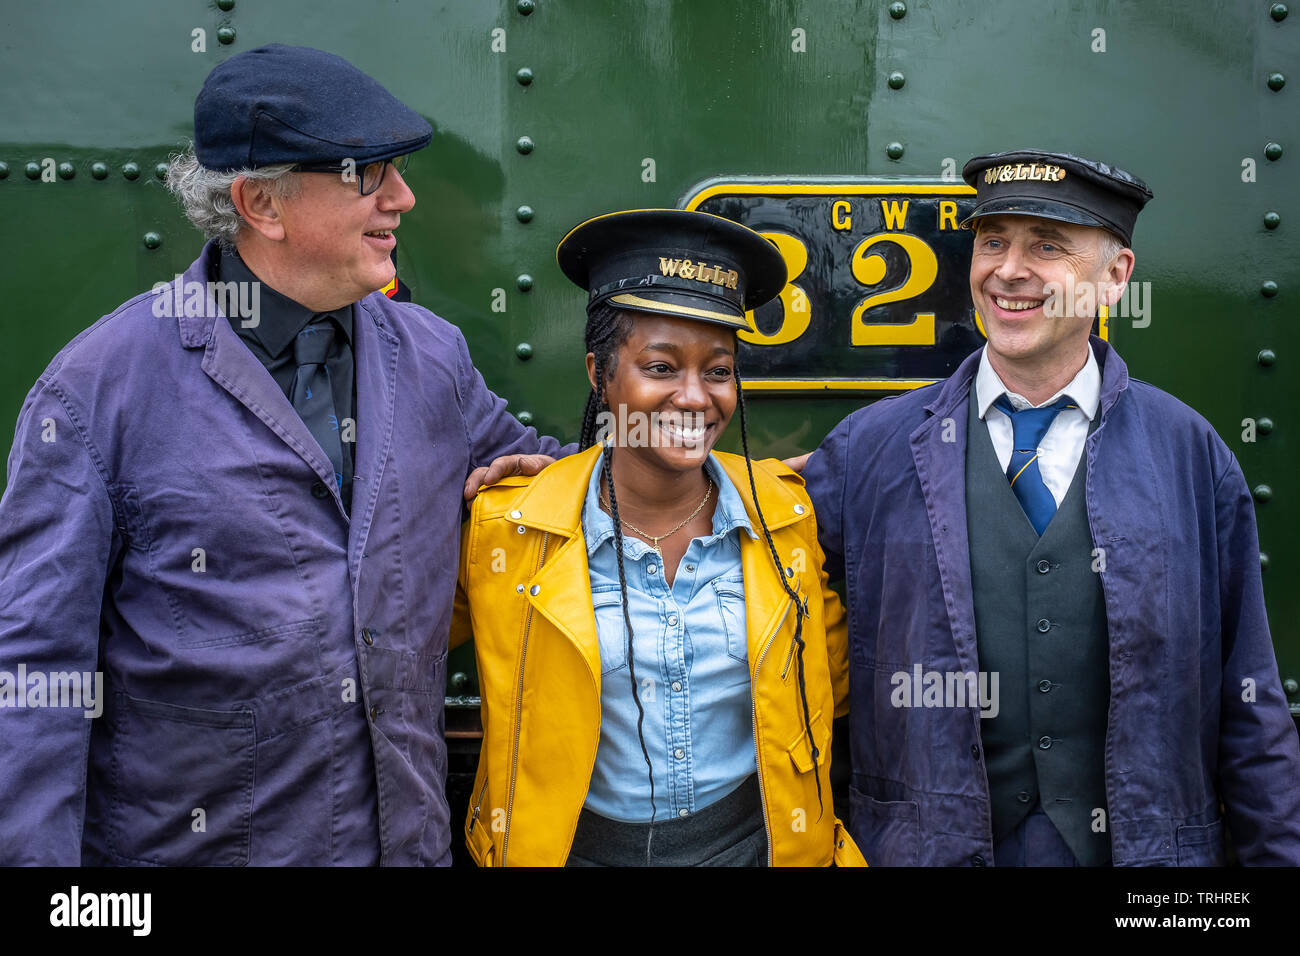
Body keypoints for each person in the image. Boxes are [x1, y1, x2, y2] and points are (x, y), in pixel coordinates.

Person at [0, 44, 565, 866]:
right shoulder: (98, 390)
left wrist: (783, 486)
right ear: (262, 204)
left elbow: (546, 475)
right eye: (367, 175)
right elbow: (34, 678)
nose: (403, 199)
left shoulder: (432, 358)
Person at [802, 149, 1300, 866]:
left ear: (1116, 278)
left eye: (1047, 246)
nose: (1008, 269)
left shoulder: (1190, 453)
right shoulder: (868, 452)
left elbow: (1251, 707)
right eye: (993, 241)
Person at [452, 209, 864, 866]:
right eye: (661, 367)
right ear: (600, 374)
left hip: (754, 850)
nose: (695, 398)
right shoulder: (510, 528)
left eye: (720, 370)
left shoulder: (783, 514)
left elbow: (832, 684)